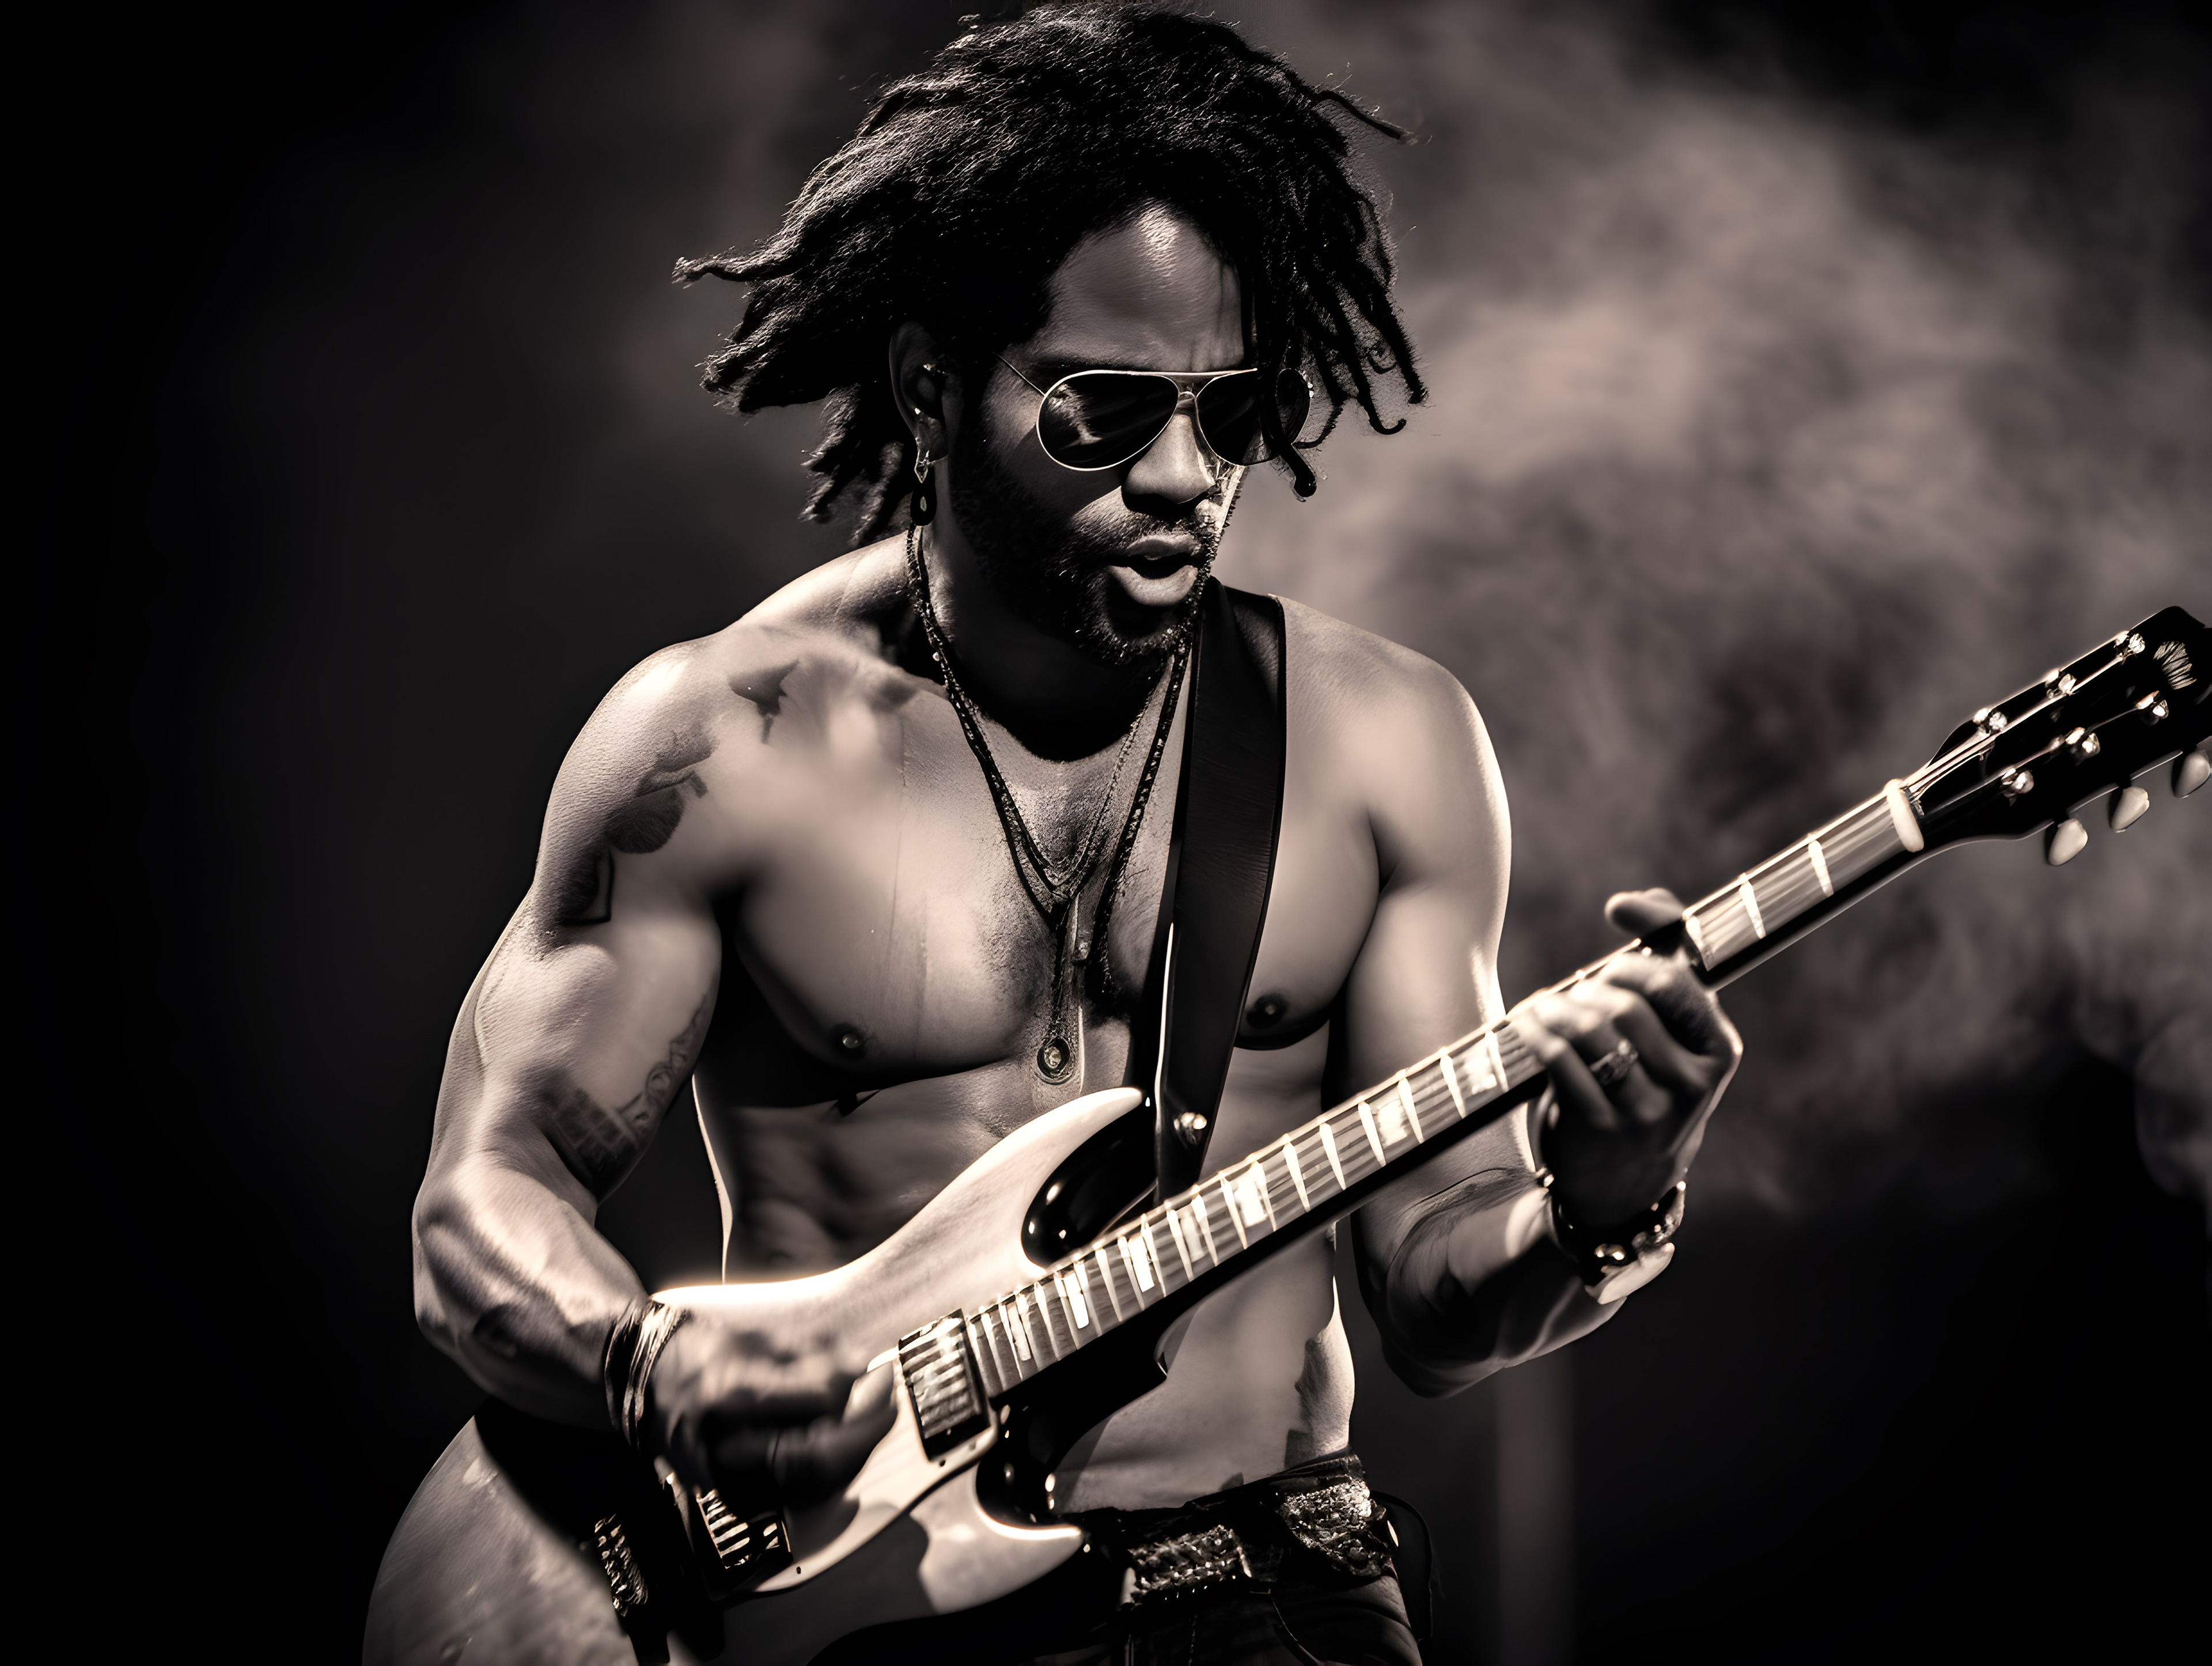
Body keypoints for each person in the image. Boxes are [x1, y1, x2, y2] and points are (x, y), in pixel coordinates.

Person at [375, 9, 1740, 1664]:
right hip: (850, 1616)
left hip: (1268, 1588)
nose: (1183, 474)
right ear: (931, 387)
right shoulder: (722, 746)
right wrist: (646, 1363)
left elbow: (1441, 1306)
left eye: (1233, 412)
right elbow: (482, 1201)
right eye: (1106, 410)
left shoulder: (1390, 746)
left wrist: (1603, 1211)